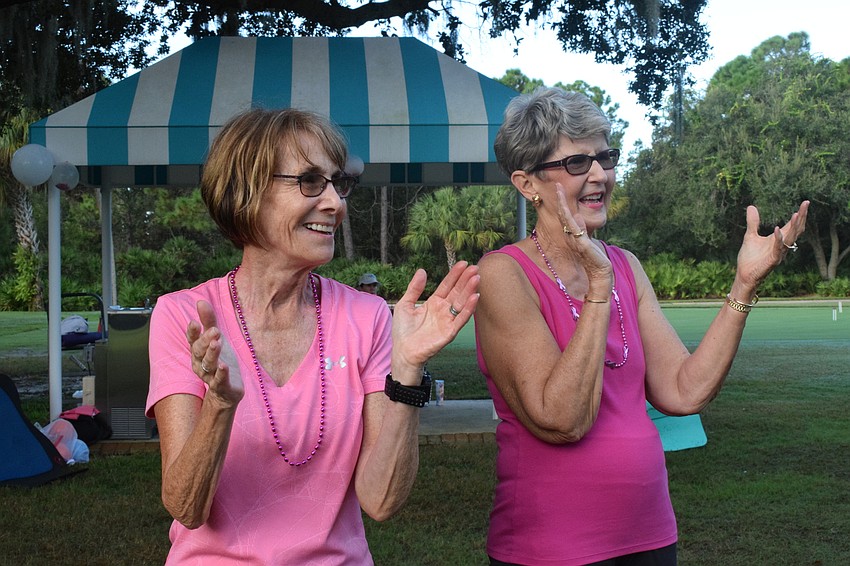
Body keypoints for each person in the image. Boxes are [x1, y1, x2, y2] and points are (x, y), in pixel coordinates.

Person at [474, 87, 809, 566]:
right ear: (527, 184)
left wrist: (743, 285)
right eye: (576, 164)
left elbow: (682, 392)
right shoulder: (503, 274)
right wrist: (596, 285)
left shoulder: (625, 266)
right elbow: (562, 420)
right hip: (549, 548)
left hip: (649, 538)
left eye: (605, 158)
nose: (599, 175)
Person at [145, 107, 479, 564]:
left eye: (337, 184)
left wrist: (407, 370)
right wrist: (219, 405)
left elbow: (381, 502)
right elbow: (186, 507)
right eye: (308, 182)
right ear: (247, 192)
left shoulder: (366, 316)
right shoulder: (183, 316)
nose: (335, 203)